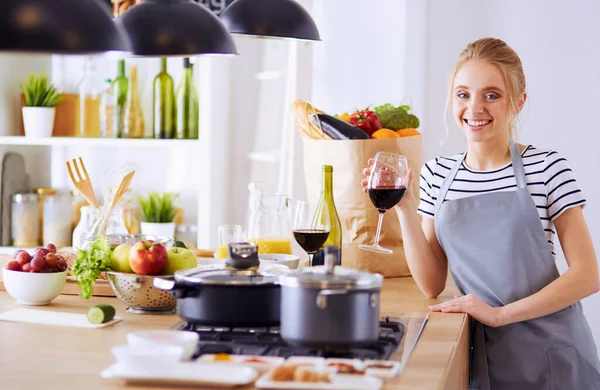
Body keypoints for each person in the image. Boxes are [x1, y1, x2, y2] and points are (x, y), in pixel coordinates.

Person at [362, 37, 600, 389]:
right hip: (480, 354)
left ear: (518, 102)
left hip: (553, 356)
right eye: (463, 94)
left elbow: (587, 276)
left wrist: (500, 315)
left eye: (492, 95)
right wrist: (405, 207)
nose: (475, 108)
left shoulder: (546, 168)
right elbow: (430, 284)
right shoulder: (437, 175)